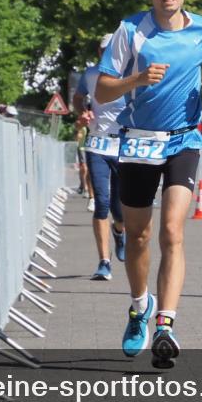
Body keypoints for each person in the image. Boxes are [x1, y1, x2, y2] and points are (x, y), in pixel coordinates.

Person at [95, 0, 202, 368]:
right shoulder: (130, 31)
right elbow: (102, 90)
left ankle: (166, 326)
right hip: (138, 142)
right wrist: (136, 80)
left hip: (183, 140)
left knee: (172, 231)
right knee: (137, 236)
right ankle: (139, 308)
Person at [74, 35, 127, 280]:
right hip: (96, 144)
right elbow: (78, 98)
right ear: (100, 51)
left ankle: (119, 232)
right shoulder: (91, 74)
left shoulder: (130, 74)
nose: (109, 54)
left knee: (120, 209)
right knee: (102, 203)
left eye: (112, 50)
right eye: (105, 50)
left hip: (124, 146)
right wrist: (82, 112)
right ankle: (104, 262)